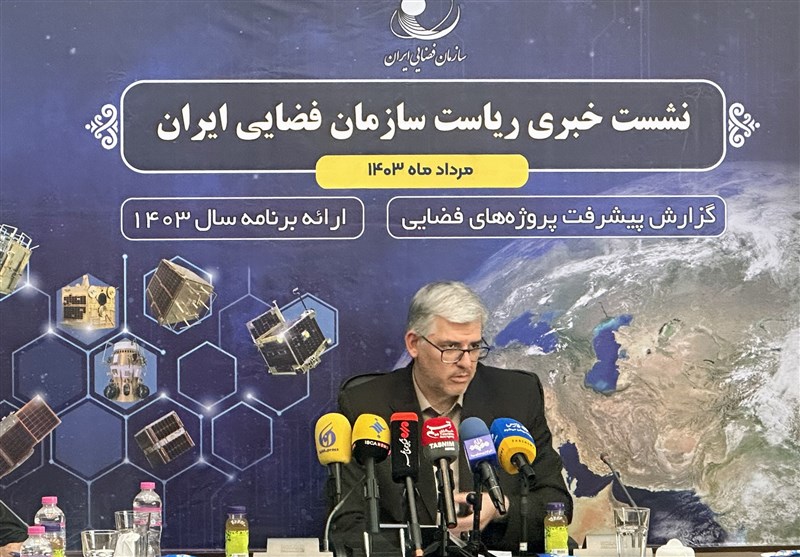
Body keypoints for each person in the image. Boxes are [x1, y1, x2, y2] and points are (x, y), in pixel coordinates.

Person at [332, 281, 573, 555]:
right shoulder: (365, 405)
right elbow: (347, 524)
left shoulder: (516, 396)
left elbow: (556, 504)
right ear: (414, 344)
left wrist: (500, 509)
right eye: (451, 347)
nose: (466, 363)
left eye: (474, 347)